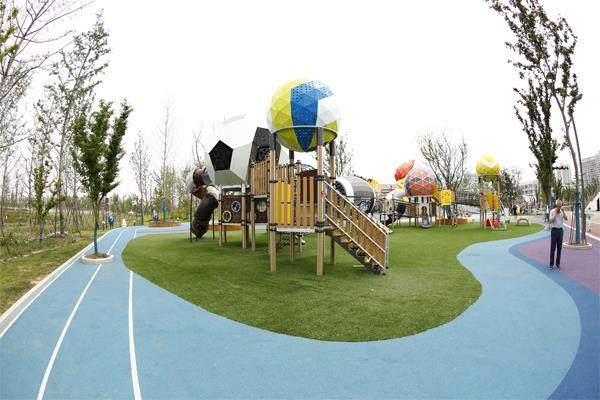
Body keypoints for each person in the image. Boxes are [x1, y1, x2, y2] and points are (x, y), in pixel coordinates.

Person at [548, 200, 567, 269]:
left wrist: (563, 211)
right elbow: (550, 221)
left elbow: (566, 218)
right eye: (558, 206)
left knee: (559, 248)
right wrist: (556, 213)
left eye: (560, 206)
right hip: (554, 231)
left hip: (560, 231)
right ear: (556, 206)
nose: (559, 207)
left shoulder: (562, 211)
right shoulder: (552, 211)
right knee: (553, 248)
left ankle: (558, 263)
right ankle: (551, 264)